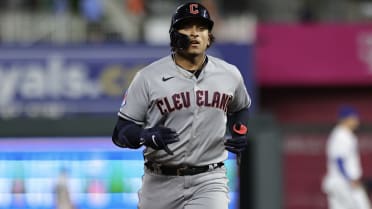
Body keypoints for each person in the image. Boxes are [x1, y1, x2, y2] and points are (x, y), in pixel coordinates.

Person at [111, 2, 251, 209]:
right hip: (159, 181)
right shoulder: (148, 77)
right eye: (187, 27)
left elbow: (240, 108)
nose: (195, 34)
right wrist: (145, 135)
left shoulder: (229, 74)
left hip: (209, 178)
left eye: (201, 28)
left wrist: (240, 131)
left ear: (209, 35)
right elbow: (120, 132)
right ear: (173, 35)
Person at [322, 105, 371, 209]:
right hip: (344, 183)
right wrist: (349, 179)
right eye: (354, 118)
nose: (357, 121)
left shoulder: (342, 134)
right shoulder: (341, 135)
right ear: (346, 119)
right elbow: (339, 160)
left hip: (340, 182)